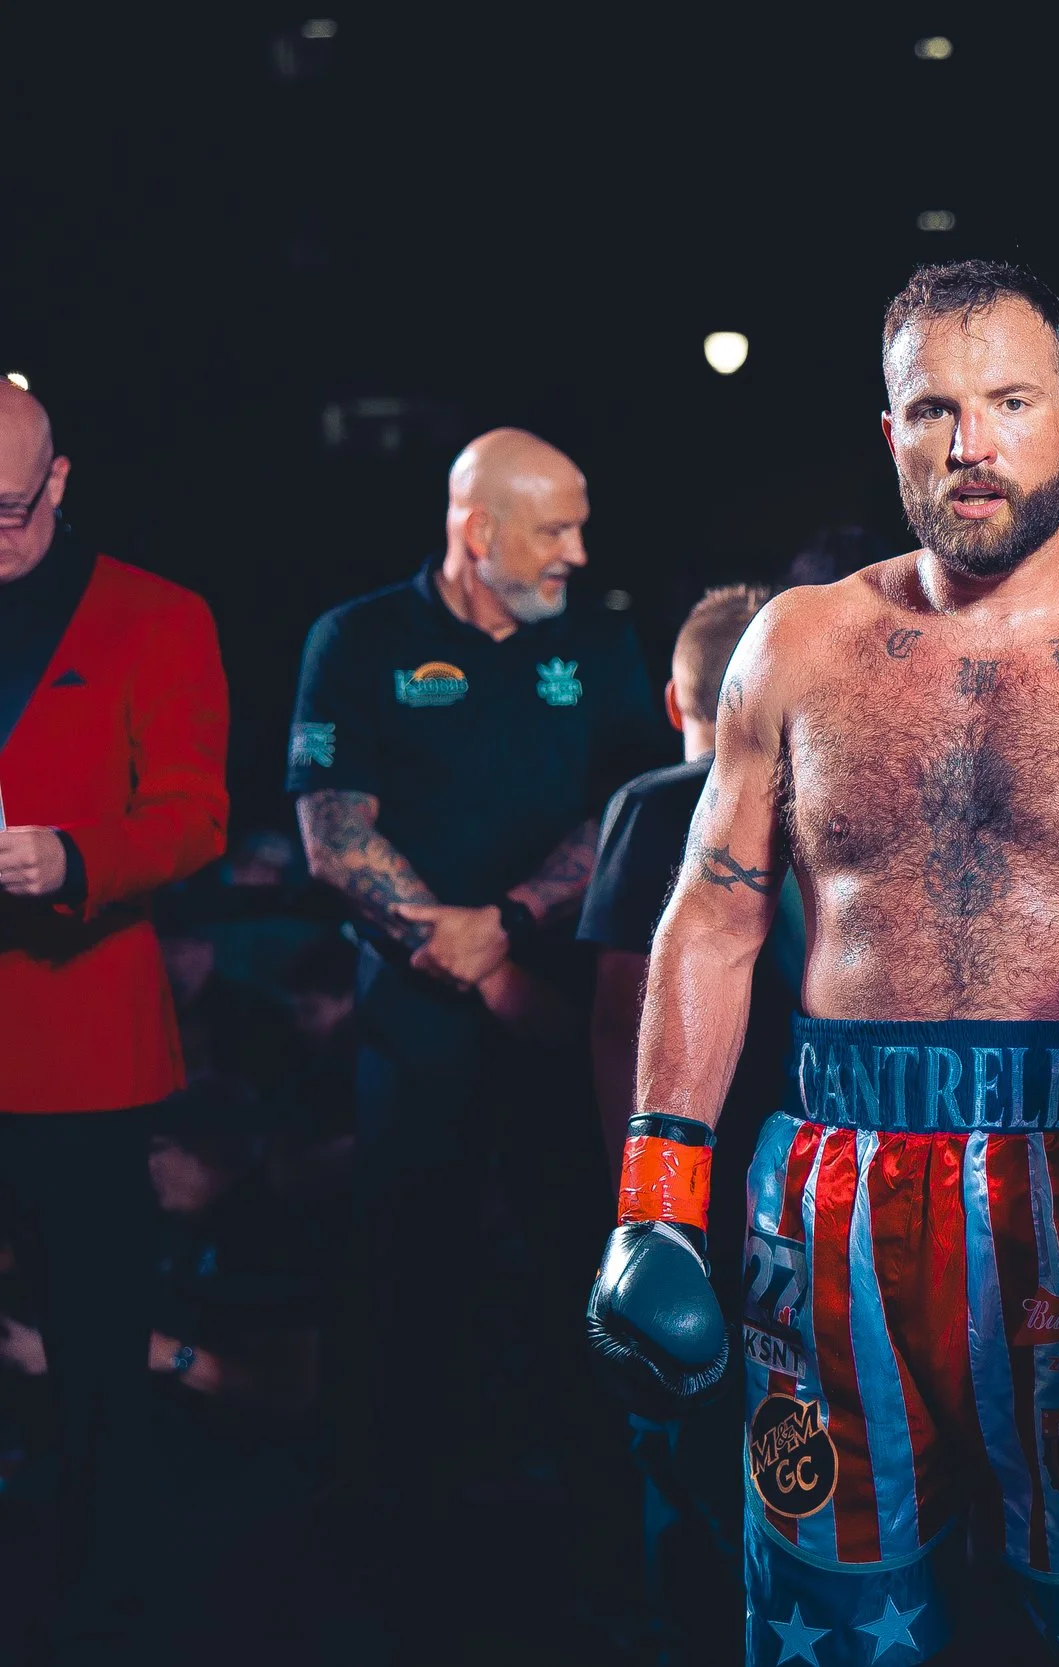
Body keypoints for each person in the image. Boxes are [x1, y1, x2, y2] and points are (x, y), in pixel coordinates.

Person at [586, 259, 1059, 1665]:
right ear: (890, 432)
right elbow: (718, 908)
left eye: (1011, 401)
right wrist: (656, 1196)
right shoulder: (798, 644)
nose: (972, 443)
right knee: (824, 1622)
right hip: (833, 1180)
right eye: (934, 409)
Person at [286, 427, 666, 1522]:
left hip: (560, 1013)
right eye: (555, 528)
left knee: (581, 1273)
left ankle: (602, 1522)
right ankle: (403, 1529)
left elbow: (630, 812)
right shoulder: (357, 639)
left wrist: (500, 926)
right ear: (477, 528)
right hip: (414, 1020)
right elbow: (329, 829)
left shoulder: (597, 643)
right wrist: (443, 947)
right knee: (410, 1280)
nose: (577, 552)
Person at [0, 379, 231, 1654]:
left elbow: (195, 814)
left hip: (77, 1044)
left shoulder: (156, 616)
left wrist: (70, 860)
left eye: (13, 511)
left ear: (63, 480)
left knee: (94, 1355)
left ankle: (105, 1607)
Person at [580, 581, 779, 1664]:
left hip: (720, 1189)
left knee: (688, 1453)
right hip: (781, 1187)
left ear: (676, 696)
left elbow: (617, 1021)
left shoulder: (656, 801)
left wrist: (644, 1213)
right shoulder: (671, 801)